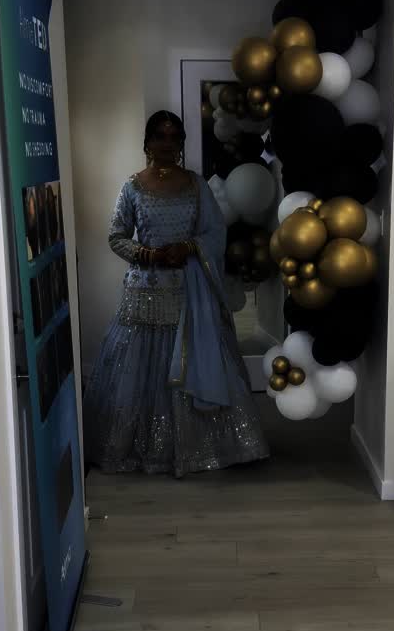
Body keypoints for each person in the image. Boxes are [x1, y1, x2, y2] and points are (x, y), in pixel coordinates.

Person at [83, 110, 269, 477]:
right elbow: (116, 236)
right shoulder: (132, 187)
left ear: (181, 143)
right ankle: (138, 448)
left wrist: (188, 247)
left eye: (174, 137)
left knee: (192, 360)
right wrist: (148, 254)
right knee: (140, 367)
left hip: (190, 291)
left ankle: (204, 447)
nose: (167, 144)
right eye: (160, 136)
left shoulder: (196, 185)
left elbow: (215, 233)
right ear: (147, 142)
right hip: (145, 291)